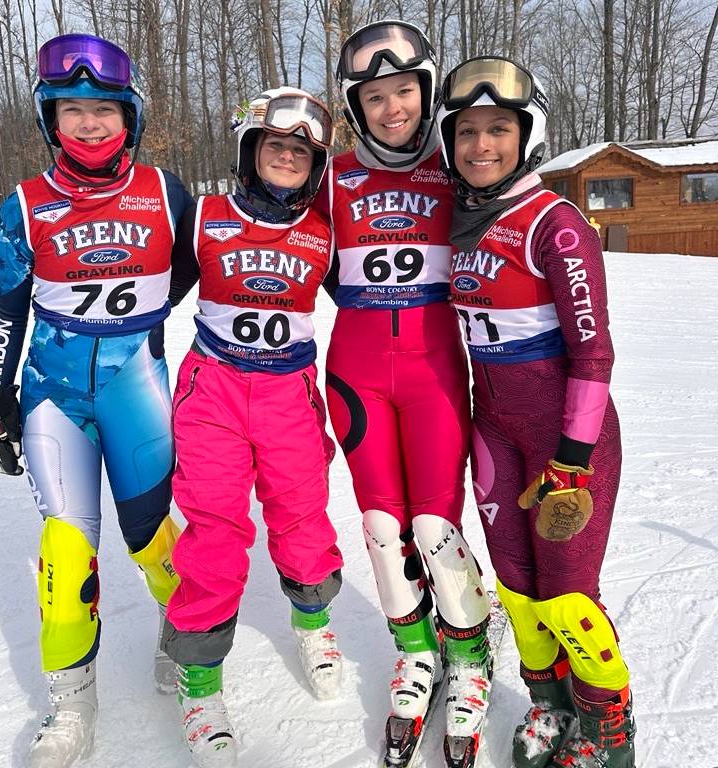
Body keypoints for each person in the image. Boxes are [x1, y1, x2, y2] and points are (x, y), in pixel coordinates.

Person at [0, 33, 193, 768]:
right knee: (66, 552)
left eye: (104, 110)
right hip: (54, 400)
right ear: (48, 119)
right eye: (72, 111)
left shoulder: (167, 193)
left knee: (155, 539)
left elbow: (198, 271)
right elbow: (7, 310)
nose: (89, 125)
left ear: (130, 115)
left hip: (137, 389)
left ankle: (187, 638)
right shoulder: (21, 207)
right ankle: (70, 704)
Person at [436, 56, 636, 768]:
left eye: (497, 129)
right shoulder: (458, 222)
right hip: (494, 430)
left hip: (565, 439)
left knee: (567, 593)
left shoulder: (555, 222)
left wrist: (572, 458)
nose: (480, 145)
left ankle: (610, 728)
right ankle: (549, 706)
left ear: (527, 136)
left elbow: (594, 355)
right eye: (465, 132)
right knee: (518, 589)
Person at [160, 87, 344, 767]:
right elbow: (153, 300)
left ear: (315, 163)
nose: (288, 156)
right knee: (214, 525)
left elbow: (370, 305)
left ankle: (314, 623)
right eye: (276, 145)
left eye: (301, 150)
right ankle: (201, 679)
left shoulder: (323, 232)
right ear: (250, 150)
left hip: (288, 391)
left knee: (302, 514)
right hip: (214, 388)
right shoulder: (206, 218)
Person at [324, 20, 492, 764]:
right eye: (376, 96)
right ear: (356, 108)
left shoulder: (456, 164)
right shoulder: (332, 174)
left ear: (425, 92)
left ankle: (470, 655)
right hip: (356, 372)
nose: (393, 108)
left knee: (434, 527)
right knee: (382, 528)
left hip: (433, 371)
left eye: (404, 91)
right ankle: (416, 651)